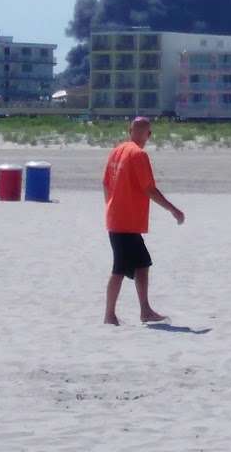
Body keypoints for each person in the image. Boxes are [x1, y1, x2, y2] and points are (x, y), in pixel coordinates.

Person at [102, 116, 184, 326]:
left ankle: (145, 310)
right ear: (148, 134)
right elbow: (149, 189)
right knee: (119, 269)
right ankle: (109, 315)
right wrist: (173, 209)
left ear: (130, 130)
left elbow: (105, 183)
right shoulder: (138, 155)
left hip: (119, 219)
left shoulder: (117, 150)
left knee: (142, 263)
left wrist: (110, 206)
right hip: (125, 222)